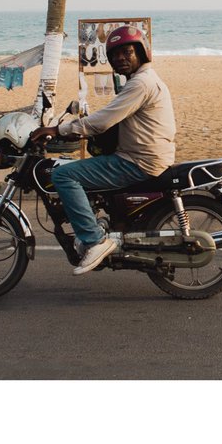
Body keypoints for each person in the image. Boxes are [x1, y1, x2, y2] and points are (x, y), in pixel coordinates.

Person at [29, 25, 176, 275]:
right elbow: (109, 118)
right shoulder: (142, 80)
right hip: (145, 155)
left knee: (63, 175)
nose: (120, 58)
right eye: (115, 54)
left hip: (138, 161)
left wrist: (58, 129)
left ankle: (95, 241)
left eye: (127, 52)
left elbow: (103, 120)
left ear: (142, 53)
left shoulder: (141, 83)